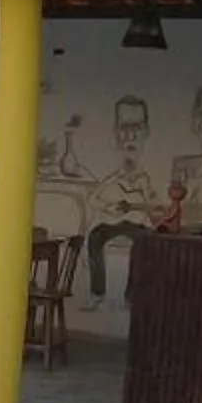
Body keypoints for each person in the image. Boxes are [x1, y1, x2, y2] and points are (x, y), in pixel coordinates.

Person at [82, 94, 159, 305]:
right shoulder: (114, 175)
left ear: (147, 132)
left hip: (140, 225)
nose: (130, 136)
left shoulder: (149, 176)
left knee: (142, 244)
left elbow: (156, 206)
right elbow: (94, 199)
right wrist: (109, 208)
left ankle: (131, 296)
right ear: (116, 133)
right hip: (115, 222)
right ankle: (97, 293)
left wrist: (146, 200)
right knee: (95, 237)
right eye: (124, 128)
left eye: (137, 127)